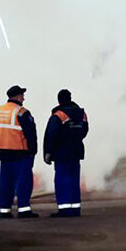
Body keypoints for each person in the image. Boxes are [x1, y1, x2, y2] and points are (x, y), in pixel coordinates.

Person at [0, 85, 39, 218]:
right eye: (22, 95)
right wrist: (33, 151)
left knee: (6, 182)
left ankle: (4, 210)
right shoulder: (22, 112)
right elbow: (30, 134)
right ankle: (24, 210)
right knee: (23, 182)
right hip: (21, 153)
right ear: (17, 96)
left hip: (3, 153)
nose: (24, 98)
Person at [43, 89, 89, 217]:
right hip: (76, 151)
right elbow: (85, 131)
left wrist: (48, 153)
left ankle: (64, 209)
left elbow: (51, 135)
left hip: (62, 153)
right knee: (74, 179)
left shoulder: (58, 115)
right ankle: (75, 209)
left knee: (62, 180)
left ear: (59, 100)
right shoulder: (82, 114)